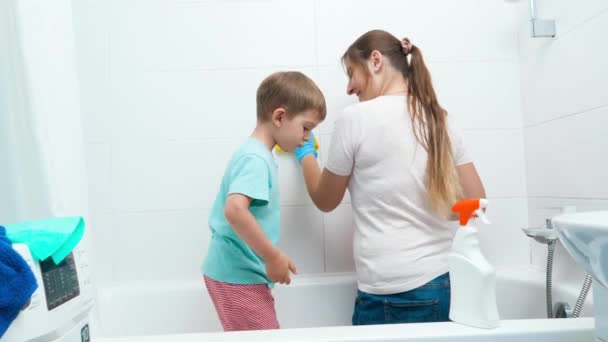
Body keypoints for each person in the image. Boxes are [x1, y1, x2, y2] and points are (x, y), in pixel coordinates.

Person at [293, 30, 486, 325]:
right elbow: (476, 200)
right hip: (443, 282)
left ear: (376, 60)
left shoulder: (356, 119)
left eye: (351, 73)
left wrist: (305, 153)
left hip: (389, 294)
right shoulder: (438, 118)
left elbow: (325, 199)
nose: (348, 88)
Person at [202, 71, 326, 331]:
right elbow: (235, 210)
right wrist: (273, 257)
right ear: (279, 116)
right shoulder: (256, 159)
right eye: (306, 128)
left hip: (238, 273)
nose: (307, 138)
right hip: (238, 276)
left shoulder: (255, 154)